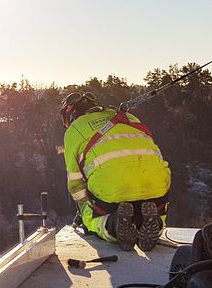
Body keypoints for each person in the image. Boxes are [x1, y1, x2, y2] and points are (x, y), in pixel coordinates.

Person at [61, 92, 171, 251]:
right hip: (156, 184)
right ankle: (157, 223)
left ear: (70, 115)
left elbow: (75, 181)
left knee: (91, 217)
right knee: (148, 200)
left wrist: (85, 207)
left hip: (114, 188)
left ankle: (112, 225)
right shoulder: (129, 117)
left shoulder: (74, 130)